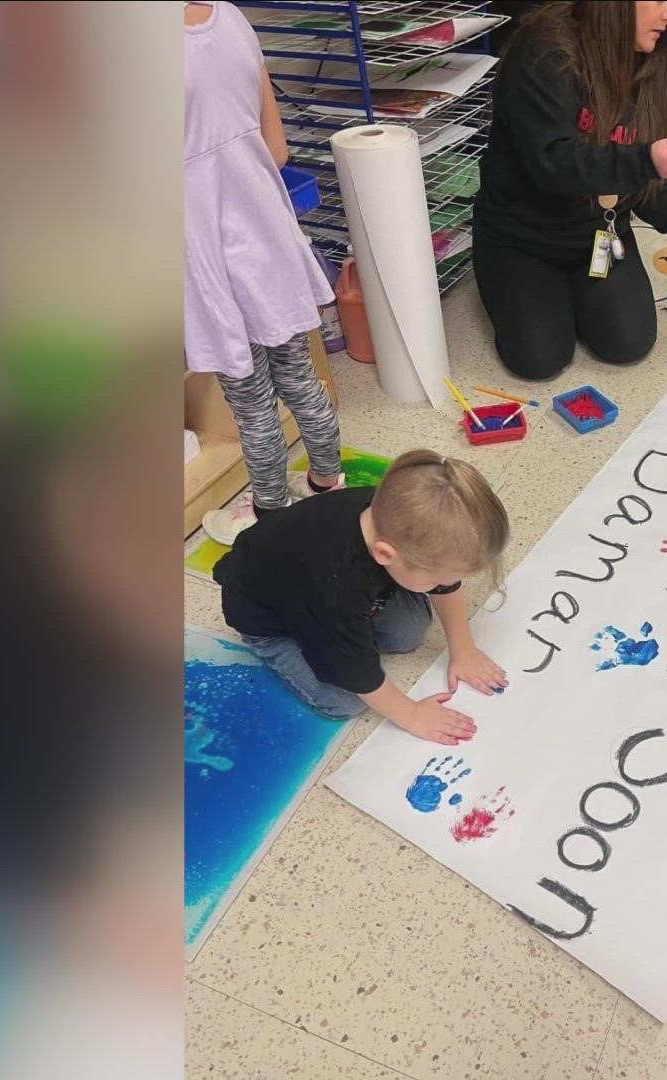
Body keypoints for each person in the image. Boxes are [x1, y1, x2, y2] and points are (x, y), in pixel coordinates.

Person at [473, 1, 667, 380]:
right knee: (539, 359)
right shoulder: (542, 51)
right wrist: (646, 160)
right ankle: (533, 288)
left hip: (598, 236)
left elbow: (646, 186)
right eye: (659, 1)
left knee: (627, 342)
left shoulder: (643, 60)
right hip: (520, 238)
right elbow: (555, 166)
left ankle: (565, 294)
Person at [213, 451, 512, 745]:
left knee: (408, 634)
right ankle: (273, 647)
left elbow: (444, 584)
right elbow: (354, 670)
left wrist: (463, 648)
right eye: (437, 580)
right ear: (385, 554)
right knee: (345, 702)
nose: (444, 585)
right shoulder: (333, 589)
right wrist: (412, 716)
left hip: (324, 584)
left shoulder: (396, 511)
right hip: (269, 617)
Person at [185, 1, 344, 544]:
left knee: (250, 399)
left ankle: (271, 513)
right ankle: (328, 480)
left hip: (202, 249)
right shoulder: (230, 17)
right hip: (266, 235)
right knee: (298, 375)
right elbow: (276, 149)